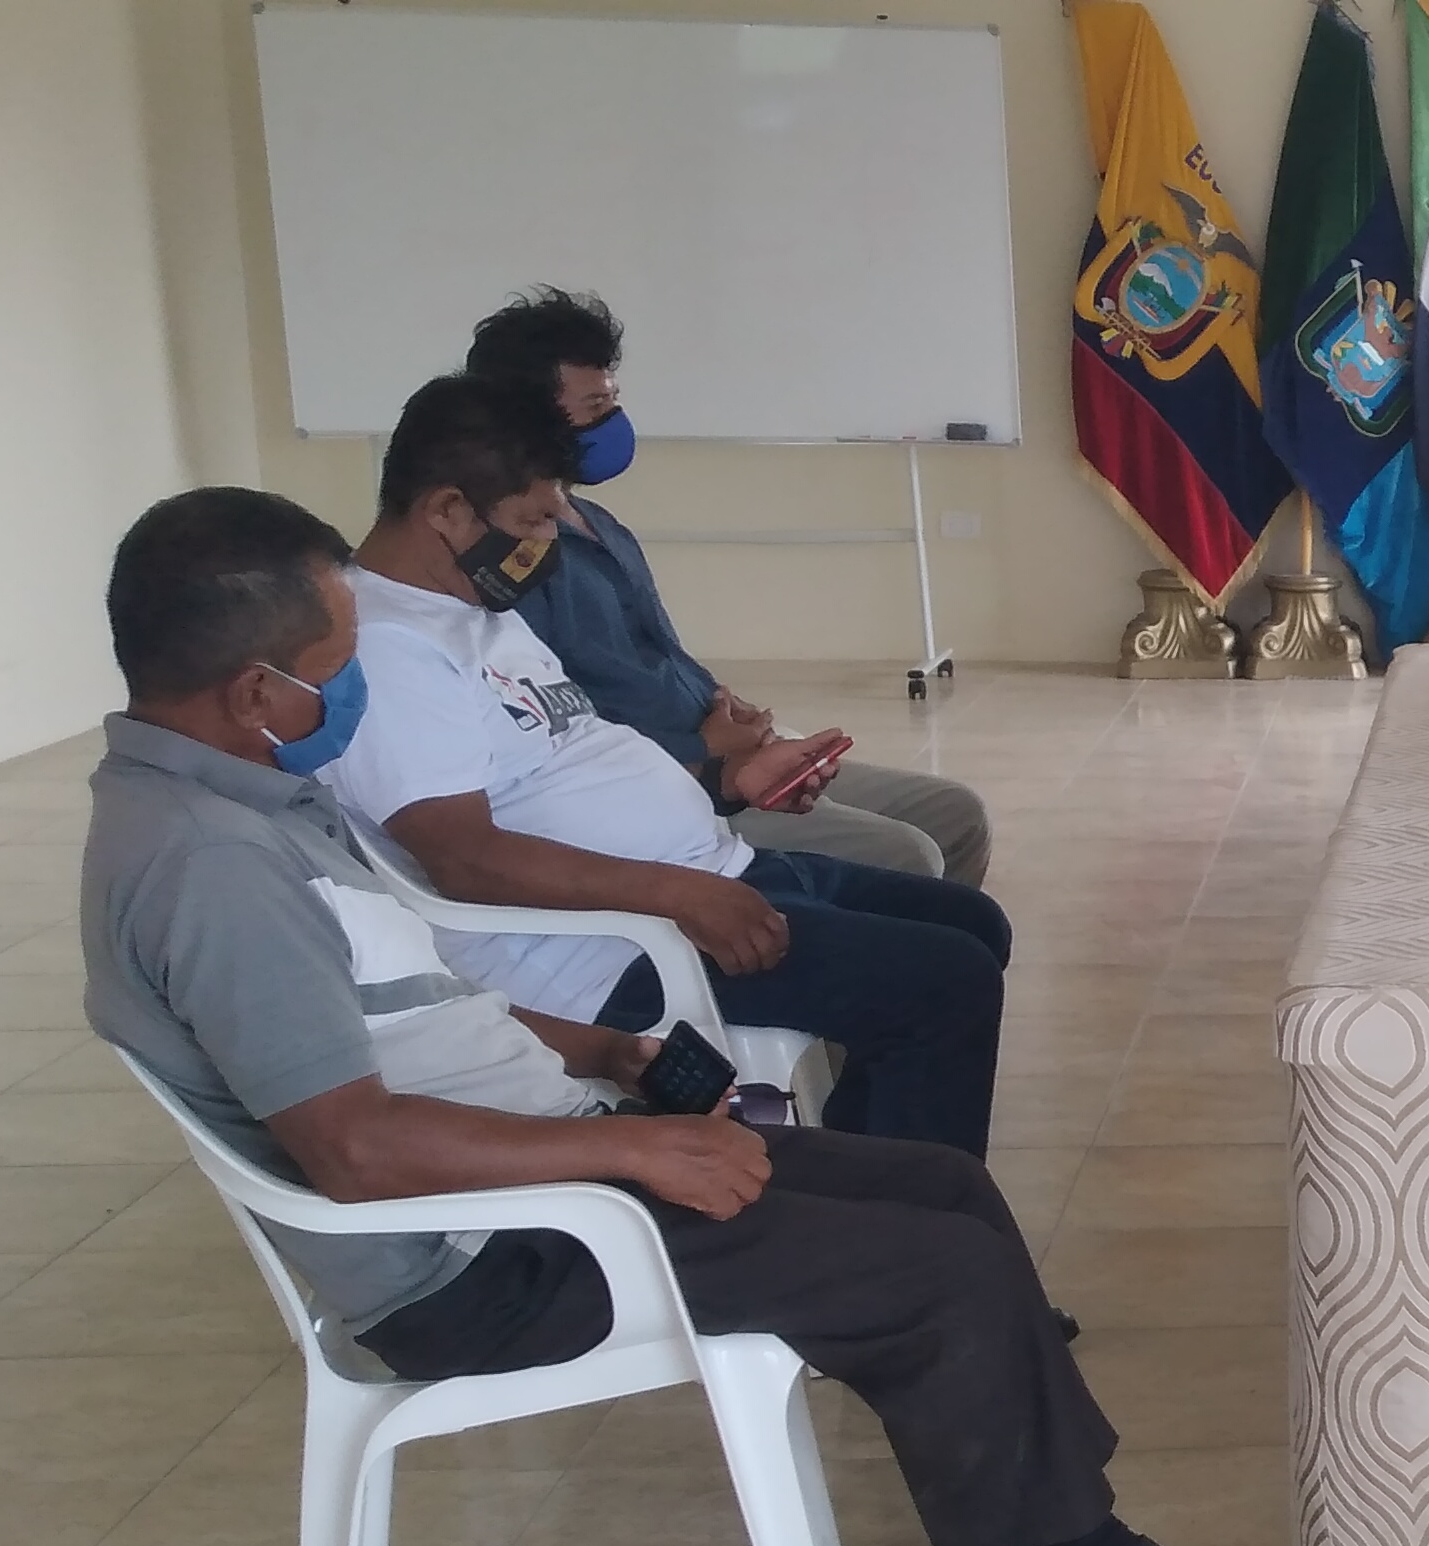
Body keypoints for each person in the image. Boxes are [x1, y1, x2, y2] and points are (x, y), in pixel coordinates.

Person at [82, 486, 1280, 1546]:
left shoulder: (249, 802)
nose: (352, 689)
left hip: (536, 1174)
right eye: (335, 666)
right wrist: (629, 1146)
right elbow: (353, 1149)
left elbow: (416, 1007)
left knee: (942, 1189)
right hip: (488, 1261)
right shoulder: (212, 870)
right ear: (254, 693)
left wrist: (604, 1055)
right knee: (939, 1265)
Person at [322, 371, 1011, 1157]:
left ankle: (870, 1169)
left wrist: (725, 784)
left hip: (698, 880)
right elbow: (464, 859)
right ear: (446, 509)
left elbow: (566, 764)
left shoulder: (470, 609)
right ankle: (909, 1219)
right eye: (533, 519)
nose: (548, 541)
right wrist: (677, 893)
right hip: (604, 952)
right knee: (945, 982)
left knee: (971, 925)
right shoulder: (390, 647)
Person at [462, 288, 995, 885]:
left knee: (956, 814)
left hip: (725, 751)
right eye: (595, 405)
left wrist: (718, 700)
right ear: (529, 417)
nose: (613, 421)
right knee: (907, 856)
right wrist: (706, 750)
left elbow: (652, 653)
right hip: (670, 785)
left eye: (614, 399)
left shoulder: (597, 522)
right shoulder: (508, 561)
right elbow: (551, 725)